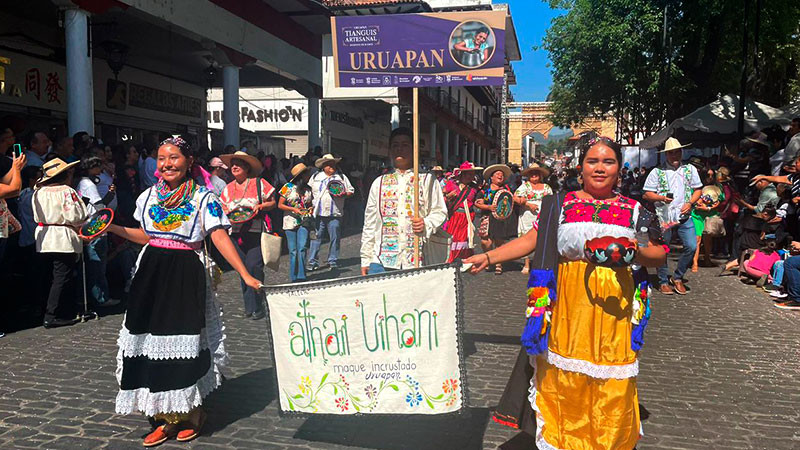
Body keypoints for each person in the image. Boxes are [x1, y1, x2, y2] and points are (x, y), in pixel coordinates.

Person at [464, 136, 665, 450]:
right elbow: (532, 240)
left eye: (608, 161)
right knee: (564, 375)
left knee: (611, 377)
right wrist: (488, 256)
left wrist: (631, 252)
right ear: (581, 168)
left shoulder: (634, 209)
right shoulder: (561, 204)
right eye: (593, 161)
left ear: (619, 169)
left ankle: (606, 441)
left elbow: (659, 254)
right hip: (568, 306)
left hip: (615, 309)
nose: (600, 168)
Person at [106, 136, 262, 447]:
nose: (166, 164)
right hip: (150, 273)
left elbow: (218, 236)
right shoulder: (148, 197)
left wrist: (245, 273)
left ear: (189, 162)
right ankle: (164, 417)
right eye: (162, 158)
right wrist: (111, 228)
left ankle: (191, 413)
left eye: (174, 158)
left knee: (184, 342)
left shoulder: (204, 198)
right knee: (148, 342)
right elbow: (147, 235)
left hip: (184, 273)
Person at [360, 127, 447, 274]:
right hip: (381, 260)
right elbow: (370, 222)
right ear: (390, 151)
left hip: (416, 260)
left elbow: (440, 212)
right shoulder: (379, 183)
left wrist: (426, 223)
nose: (400, 149)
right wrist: (366, 258)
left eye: (405, 145)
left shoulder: (427, 180)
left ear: (415, 149)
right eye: (395, 145)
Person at [32, 157, 87, 328]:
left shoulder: (38, 192)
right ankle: (52, 314)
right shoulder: (66, 191)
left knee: (48, 276)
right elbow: (76, 216)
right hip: (63, 237)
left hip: (44, 236)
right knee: (62, 276)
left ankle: (45, 309)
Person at [219, 151, 275, 318]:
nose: (234, 167)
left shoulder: (259, 183)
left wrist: (263, 206)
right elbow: (222, 208)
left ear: (247, 167)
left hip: (256, 232)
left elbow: (273, 201)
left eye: (239, 164)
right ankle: (250, 306)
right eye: (233, 164)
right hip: (235, 234)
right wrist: (226, 211)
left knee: (254, 266)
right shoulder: (228, 188)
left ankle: (259, 304)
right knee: (242, 269)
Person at [642, 137, 702, 295]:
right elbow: (647, 194)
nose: (674, 155)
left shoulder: (690, 170)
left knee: (691, 246)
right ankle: (662, 280)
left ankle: (678, 276)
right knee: (663, 249)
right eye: (671, 153)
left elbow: (698, 189)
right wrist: (661, 198)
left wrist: (690, 203)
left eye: (677, 152)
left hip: (685, 215)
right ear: (666, 155)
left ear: (681, 152)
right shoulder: (657, 171)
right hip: (664, 217)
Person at [76, 156, 119, 307]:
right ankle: (101, 298)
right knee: (98, 266)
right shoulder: (88, 184)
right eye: (98, 167)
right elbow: (100, 207)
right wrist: (107, 222)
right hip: (96, 229)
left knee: (94, 265)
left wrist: (110, 195)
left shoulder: (82, 183)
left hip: (89, 227)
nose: (101, 171)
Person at [307, 153, 354, 271]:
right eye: (329, 165)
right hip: (318, 213)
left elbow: (351, 191)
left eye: (333, 164)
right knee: (316, 238)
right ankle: (312, 261)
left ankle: (332, 260)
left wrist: (344, 194)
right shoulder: (315, 177)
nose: (331, 167)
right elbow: (308, 192)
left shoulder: (341, 177)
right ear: (323, 166)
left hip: (335, 213)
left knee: (335, 237)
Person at [475, 163, 517, 275]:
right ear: (491, 177)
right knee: (486, 241)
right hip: (487, 217)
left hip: (501, 219)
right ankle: (488, 259)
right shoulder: (485, 191)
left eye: (502, 174)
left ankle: (498, 263)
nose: (500, 176)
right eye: (497, 174)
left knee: (499, 242)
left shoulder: (507, 190)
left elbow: (511, 202)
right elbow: (477, 203)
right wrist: (488, 207)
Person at [514, 163, 553, 274]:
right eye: (532, 174)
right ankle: (526, 264)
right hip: (528, 216)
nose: (534, 176)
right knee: (527, 237)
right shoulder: (525, 187)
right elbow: (515, 197)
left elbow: (551, 200)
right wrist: (527, 203)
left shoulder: (546, 187)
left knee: (541, 237)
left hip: (542, 215)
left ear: (540, 175)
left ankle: (538, 263)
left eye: (537, 174)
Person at [279, 163, 313, 282]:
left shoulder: (308, 189)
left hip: (304, 221)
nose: (309, 175)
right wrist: (293, 209)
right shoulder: (287, 187)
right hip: (290, 221)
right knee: (293, 250)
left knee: (302, 247)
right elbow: (280, 204)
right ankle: (293, 276)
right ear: (301, 175)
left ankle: (302, 275)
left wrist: (310, 209)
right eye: (307, 174)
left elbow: (310, 203)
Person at [442, 162, 482, 262]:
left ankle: (464, 258)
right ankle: (450, 258)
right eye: (469, 174)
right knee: (453, 237)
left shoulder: (474, 188)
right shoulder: (452, 184)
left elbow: (477, 201)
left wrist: (480, 202)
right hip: (454, 216)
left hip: (467, 217)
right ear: (462, 174)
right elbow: (440, 199)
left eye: (472, 174)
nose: (471, 176)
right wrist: (448, 197)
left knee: (464, 238)